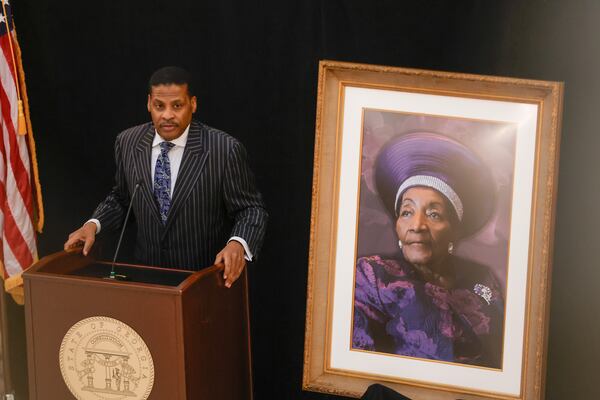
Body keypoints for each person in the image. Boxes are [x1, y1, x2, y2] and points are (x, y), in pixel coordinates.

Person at [64, 66, 268, 288]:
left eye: (177, 105)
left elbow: (251, 209)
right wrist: (94, 224)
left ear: (193, 104)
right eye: (159, 106)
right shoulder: (128, 142)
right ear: (149, 103)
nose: (167, 115)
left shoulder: (224, 149)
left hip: (203, 283)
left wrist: (237, 243)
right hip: (146, 280)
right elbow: (122, 198)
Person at [352, 133, 504, 368]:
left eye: (434, 214)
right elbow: (359, 365)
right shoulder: (372, 276)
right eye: (407, 212)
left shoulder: (482, 281)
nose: (417, 226)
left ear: (454, 230)